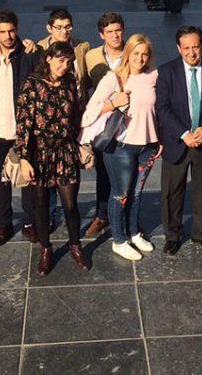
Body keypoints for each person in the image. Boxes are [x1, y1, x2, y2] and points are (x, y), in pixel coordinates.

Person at [9, 42, 90, 276]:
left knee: (70, 205)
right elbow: (23, 123)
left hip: (65, 151)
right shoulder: (32, 84)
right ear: (48, 58)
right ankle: (45, 248)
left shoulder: (70, 83)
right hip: (39, 153)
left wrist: (80, 142)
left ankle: (75, 245)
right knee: (41, 204)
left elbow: (77, 115)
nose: (64, 66)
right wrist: (24, 158)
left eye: (68, 62)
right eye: (60, 60)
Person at [82, 34, 160, 261]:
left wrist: (160, 139)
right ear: (127, 53)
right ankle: (118, 240)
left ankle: (134, 232)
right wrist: (113, 103)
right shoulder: (114, 78)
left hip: (148, 146)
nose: (140, 58)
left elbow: (160, 110)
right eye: (136, 53)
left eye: (145, 54)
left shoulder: (154, 75)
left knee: (137, 192)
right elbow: (88, 114)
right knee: (120, 195)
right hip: (121, 148)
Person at [155, 26, 202, 254]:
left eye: (195, 47)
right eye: (186, 48)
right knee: (172, 191)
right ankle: (172, 235)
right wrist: (183, 133)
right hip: (178, 141)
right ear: (178, 48)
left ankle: (201, 233)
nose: (192, 52)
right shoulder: (166, 71)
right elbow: (162, 108)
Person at [0, 9, 42, 246]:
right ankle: (4, 223)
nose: (8, 36)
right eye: (3, 32)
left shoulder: (29, 53)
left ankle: (29, 222)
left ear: (17, 29)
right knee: (2, 179)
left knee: (27, 177)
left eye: (12, 30)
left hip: (23, 129)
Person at [83, 12, 126, 237]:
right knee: (103, 171)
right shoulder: (91, 55)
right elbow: (84, 85)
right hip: (102, 123)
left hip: (128, 123)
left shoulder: (133, 52)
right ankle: (101, 215)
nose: (115, 35)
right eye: (109, 31)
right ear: (101, 34)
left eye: (118, 30)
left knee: (127, 172)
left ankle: (127, 217)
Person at [36, 9, 90, 100]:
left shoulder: (82, 47)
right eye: (59, 28)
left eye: (68, 27)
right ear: (49, 28)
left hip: (78, 103)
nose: (64, 32)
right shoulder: (40, 48)